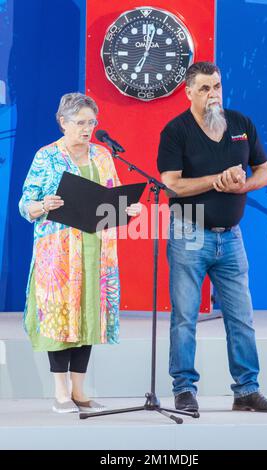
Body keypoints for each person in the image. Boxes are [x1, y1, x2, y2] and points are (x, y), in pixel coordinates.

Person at [157, 62, 267, 413]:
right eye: (204, 89)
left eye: (216, 86)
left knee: (241, 316)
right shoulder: (176, 131)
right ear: (188, 92)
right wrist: (216, 180)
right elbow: (171, 183)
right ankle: (184, 390)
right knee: (184, 317)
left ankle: (246, 390)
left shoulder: (241, 124)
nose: (212, 94)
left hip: (231, 237)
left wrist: (243, 184)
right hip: (189, 232)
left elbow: (266, 171)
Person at [19, 92, 141, 413]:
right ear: (63, 123)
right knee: (61, 319)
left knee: (88, 317)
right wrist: (43, 205)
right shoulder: (47, 157)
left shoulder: (102, 156)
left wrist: (130, 208)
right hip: (58, 255)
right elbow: (25, 205)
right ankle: (60, 392)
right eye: (80, 123)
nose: (87, 129)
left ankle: (79, 390)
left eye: (91, 122)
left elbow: (112, 200)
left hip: (96, 252)